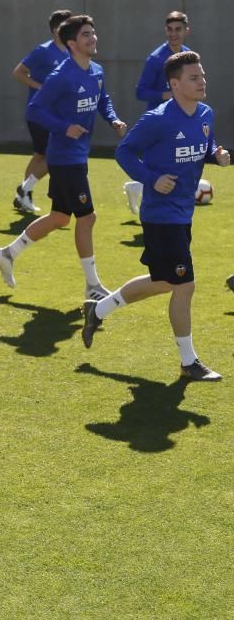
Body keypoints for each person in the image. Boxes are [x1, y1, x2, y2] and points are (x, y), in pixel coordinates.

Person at [83, 51, 229, 381]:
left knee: (165, 282)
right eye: (193, 78)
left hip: (183, 214)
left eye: (202, 75)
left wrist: (216, 154)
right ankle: (189, 362)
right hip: (161, 216)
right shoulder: (157, 119)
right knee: (185, 285)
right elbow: (124, 151)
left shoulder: (206, 114)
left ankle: (99, 308)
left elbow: (205, 143)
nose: (201, 81)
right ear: (174, 84)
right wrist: (152, 179)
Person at [0, 15, 127, 302]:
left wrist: (113, 120)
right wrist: (64, 127)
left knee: (60, 217)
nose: (93, 38)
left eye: (93, 32)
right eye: (86, 34)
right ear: (72, 43)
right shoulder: (61, 75)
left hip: (78, 155)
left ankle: (7, 253)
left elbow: (103, 100)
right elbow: (34, 111)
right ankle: (92, 286)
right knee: (87, 217)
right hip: (64, 157)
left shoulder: (97, 70)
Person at [124, 12, 192, 214]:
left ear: (186, 31)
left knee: (173, 167)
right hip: (158, 124)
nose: (173, 34)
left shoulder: (188, 56)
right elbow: (140, 92)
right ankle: (154, 212)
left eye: (178, 29)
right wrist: (165, 94)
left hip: (180, 121)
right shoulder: (155, 59)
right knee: (161, 168)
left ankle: (136, 188)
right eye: (170, 29)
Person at [10, 9, 72, 214]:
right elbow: (18, 72)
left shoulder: (71, 51)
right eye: (63, 27)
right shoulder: (43, 50)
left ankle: (23, 195)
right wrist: (40, 87)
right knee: (50, 156)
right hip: (40, 112)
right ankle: (25, 190)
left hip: (58, 114)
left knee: (39, 155)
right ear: (55, 30)